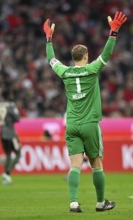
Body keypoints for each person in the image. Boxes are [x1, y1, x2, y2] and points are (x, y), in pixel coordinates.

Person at [43, 11, 127, 212]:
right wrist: (113, 32)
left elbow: (51, 59)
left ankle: (73, 203)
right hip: (90, 124)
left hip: (71, 124)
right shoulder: (92, 69)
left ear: (73, 58)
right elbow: (106, 54)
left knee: (75, 166)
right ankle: (100, 203)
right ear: (86, 56)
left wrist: (48, 39)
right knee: (97, 164)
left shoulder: (65, 72)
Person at [0, 90, 21, 185]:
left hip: (2, 132)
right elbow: (17, 119)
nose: (12, 95)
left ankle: (6, 177)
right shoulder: (11, 105)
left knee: (8, 155)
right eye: (11, 94)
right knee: (18, 154)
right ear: (8, 96)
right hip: (10, 133)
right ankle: (7, 173)